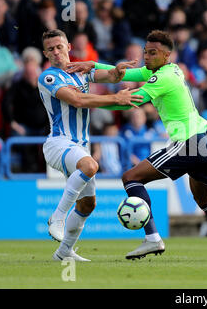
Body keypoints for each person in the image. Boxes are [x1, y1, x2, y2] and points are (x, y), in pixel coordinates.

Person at [67, 30, 207, 261]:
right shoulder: (169, 69)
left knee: (131, 177)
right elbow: (124, 73)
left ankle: (152, 237)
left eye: (152, 53)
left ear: (166, 55)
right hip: (206, 142)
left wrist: (88, 102)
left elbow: (129, 103)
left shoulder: (162, 77)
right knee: (206, 200)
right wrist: (92, 64)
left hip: (189, 142)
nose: (146, 56)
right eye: (145, 51)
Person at [39, 29, 143, 261]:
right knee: (90, 165)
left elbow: (114, 78)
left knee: (88, 204)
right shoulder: (48, 77)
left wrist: (115, 69)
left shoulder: (81, 71)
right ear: (45, 53)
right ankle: (57, 217)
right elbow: (78, 100)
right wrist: (116, 99)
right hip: (59, 142)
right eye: (51, 49)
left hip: (79, 145)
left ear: (68, 47)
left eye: (59, 46)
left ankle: (64, 252)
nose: (56, 52)